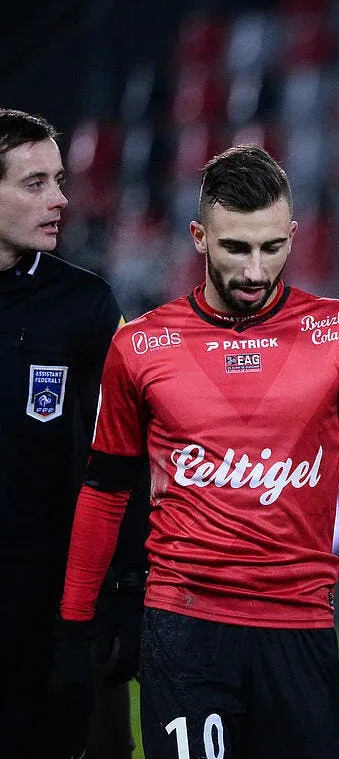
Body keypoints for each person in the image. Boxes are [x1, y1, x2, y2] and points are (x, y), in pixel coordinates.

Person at [52, 144, 339, 758]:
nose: (254, 270)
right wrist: (73, 625)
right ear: (199, 236)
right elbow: (106, 489)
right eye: (235, 248)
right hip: (184, 626)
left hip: (300, 627)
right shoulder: (142, 346)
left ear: (293, 235)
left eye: (272, 248)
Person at [0, 108, 146, 759]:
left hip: (60, 617)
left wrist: (130, 586)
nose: (60, 198)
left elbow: (127, 456)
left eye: (59, 179)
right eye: (35, 183)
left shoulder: (85, 305)